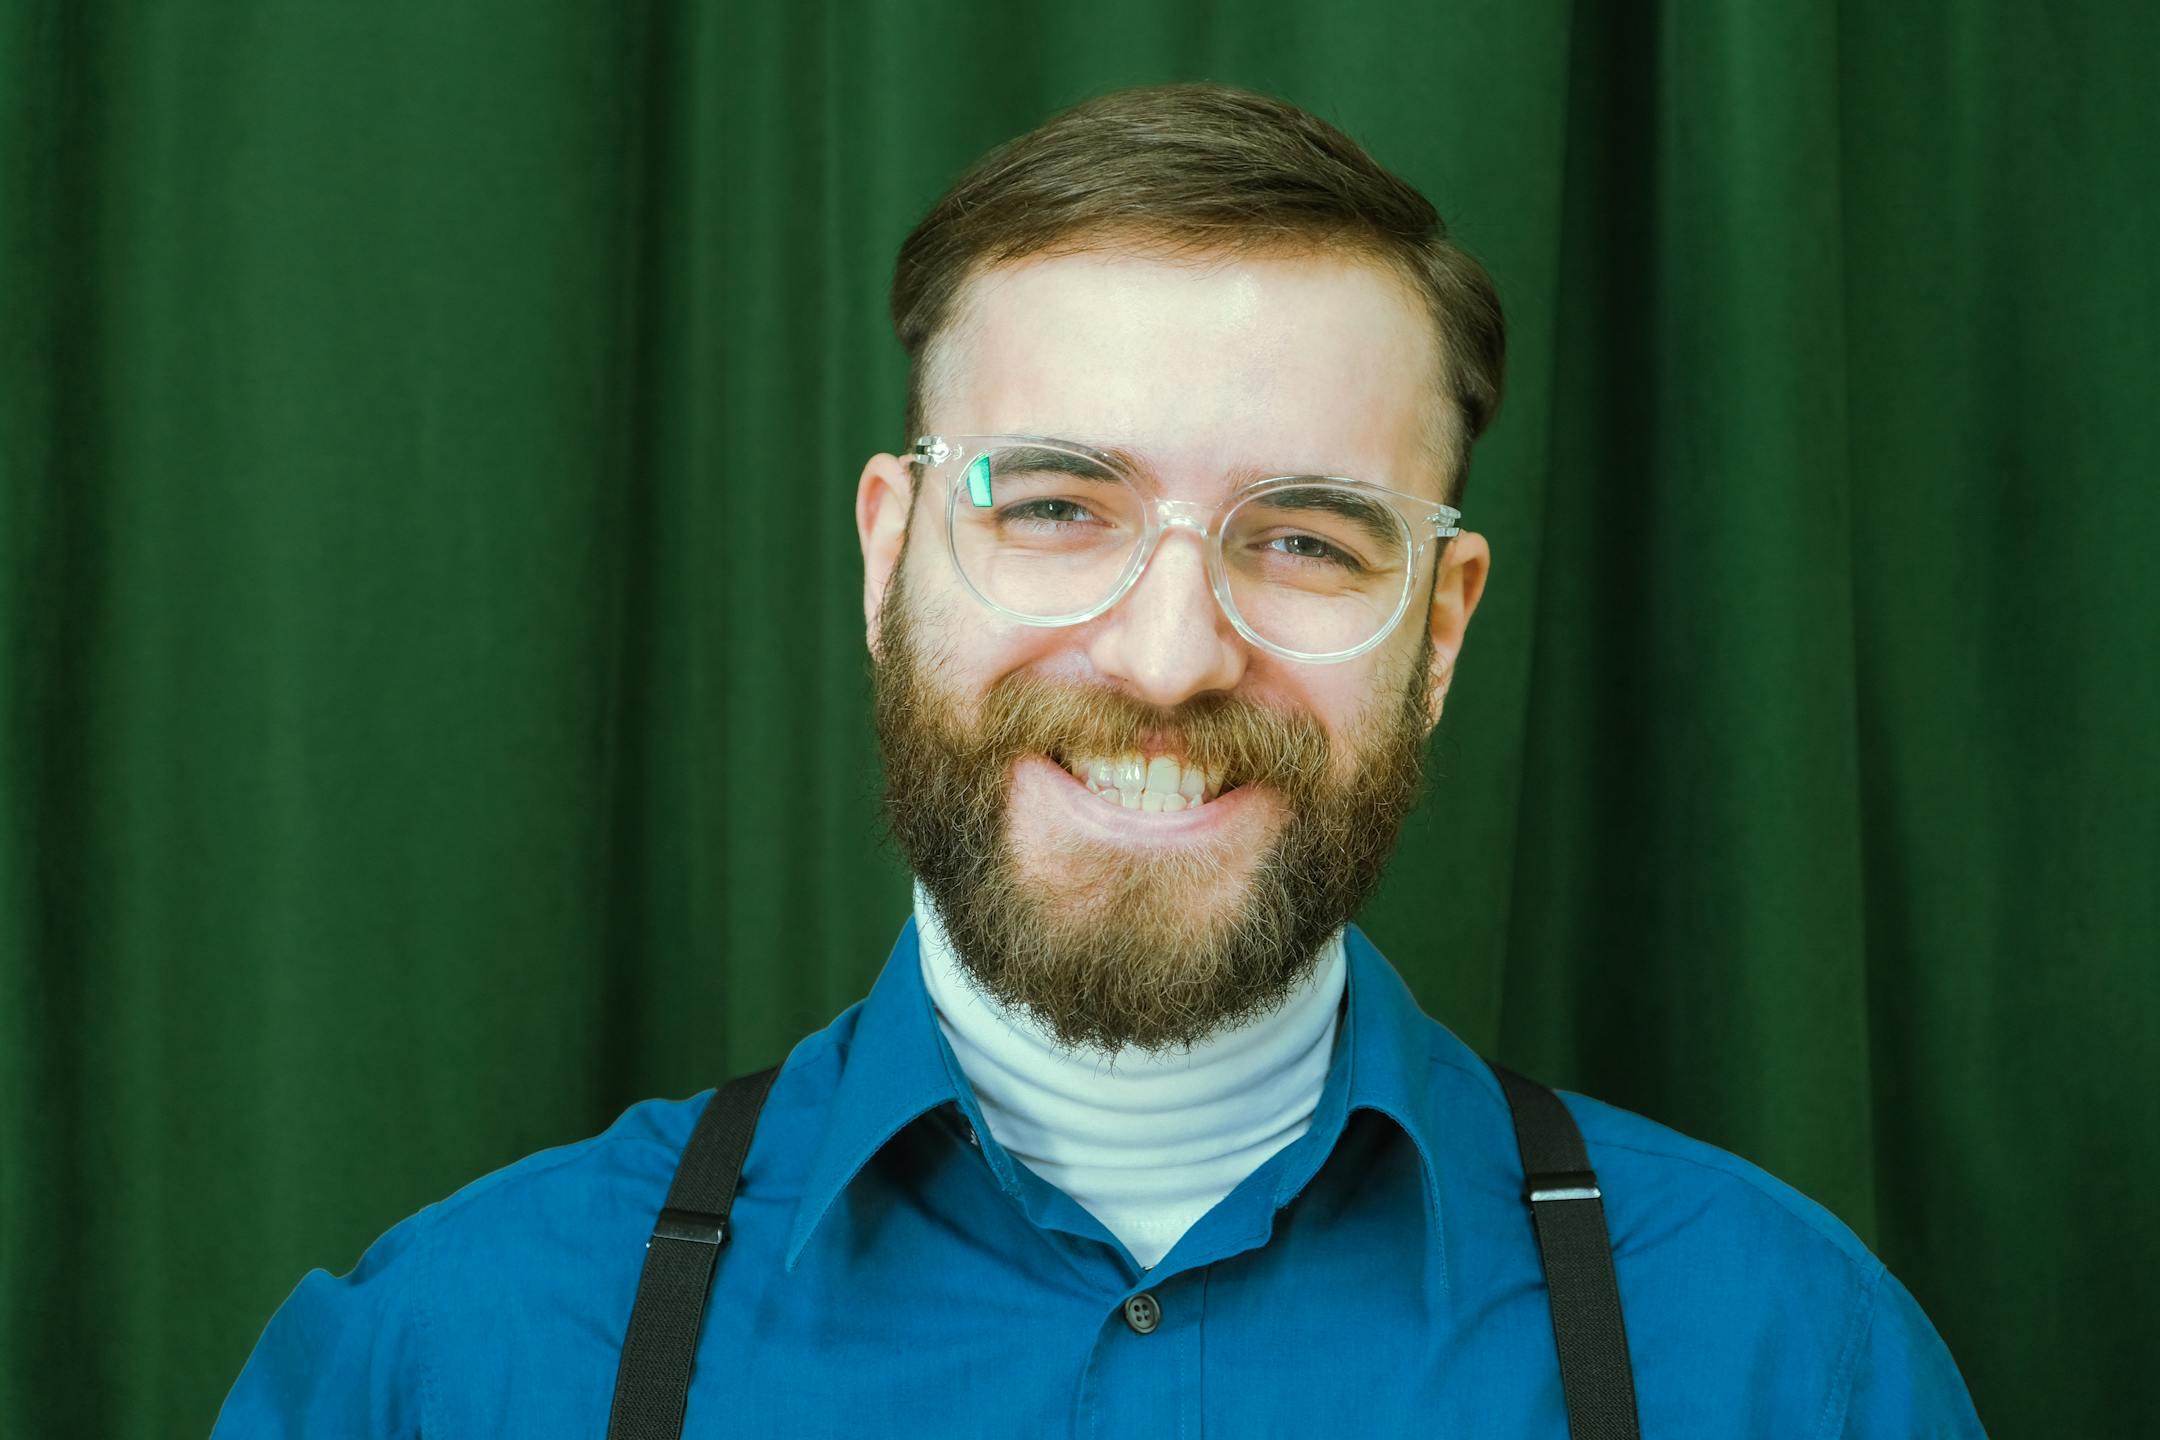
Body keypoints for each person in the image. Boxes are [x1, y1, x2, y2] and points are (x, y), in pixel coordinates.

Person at [215, 84, 1983, 1437]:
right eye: (1058, 508)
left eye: (1305, 539)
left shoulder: (1781, 1362)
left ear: (1440, 630)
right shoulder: (457, 1364)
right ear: (887, 551)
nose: (1164, 655)